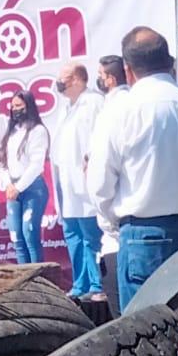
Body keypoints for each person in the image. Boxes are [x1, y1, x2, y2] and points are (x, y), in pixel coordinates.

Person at [87, 27, 178, 310]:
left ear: (128, 71)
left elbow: (100, 184)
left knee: (145, 330)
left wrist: (115, 224)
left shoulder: (120, 112)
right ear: (170, 63)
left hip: (144, 236)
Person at [52, 62, 104, 298]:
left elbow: (99, 139)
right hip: (66, 180)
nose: (59, 82)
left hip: (85, 180)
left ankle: (97, 284)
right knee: (72, 234)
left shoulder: (94, 102)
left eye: (63, 77)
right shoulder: (66, 108)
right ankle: (79, 283)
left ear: (77, 79)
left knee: (90, 234)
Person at [0, 90, 51, 265]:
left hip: (32, 188)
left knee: (30, 235)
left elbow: (36, 165)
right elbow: (1, 162)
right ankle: (25, 277)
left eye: (19, 106)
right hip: (12, 189)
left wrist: (18, 187)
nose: (15, 109)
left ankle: (39, 278)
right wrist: (8, 184)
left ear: (29, 106)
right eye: (12, 106)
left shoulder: (37, 130)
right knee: (17, 238)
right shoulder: (11, 132)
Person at [93, 54, 129, 312]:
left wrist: (108, 221)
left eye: (100, 75)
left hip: (120, 230)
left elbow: (101, 175)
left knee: (127, 315)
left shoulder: (113, 109)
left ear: (110, 79)